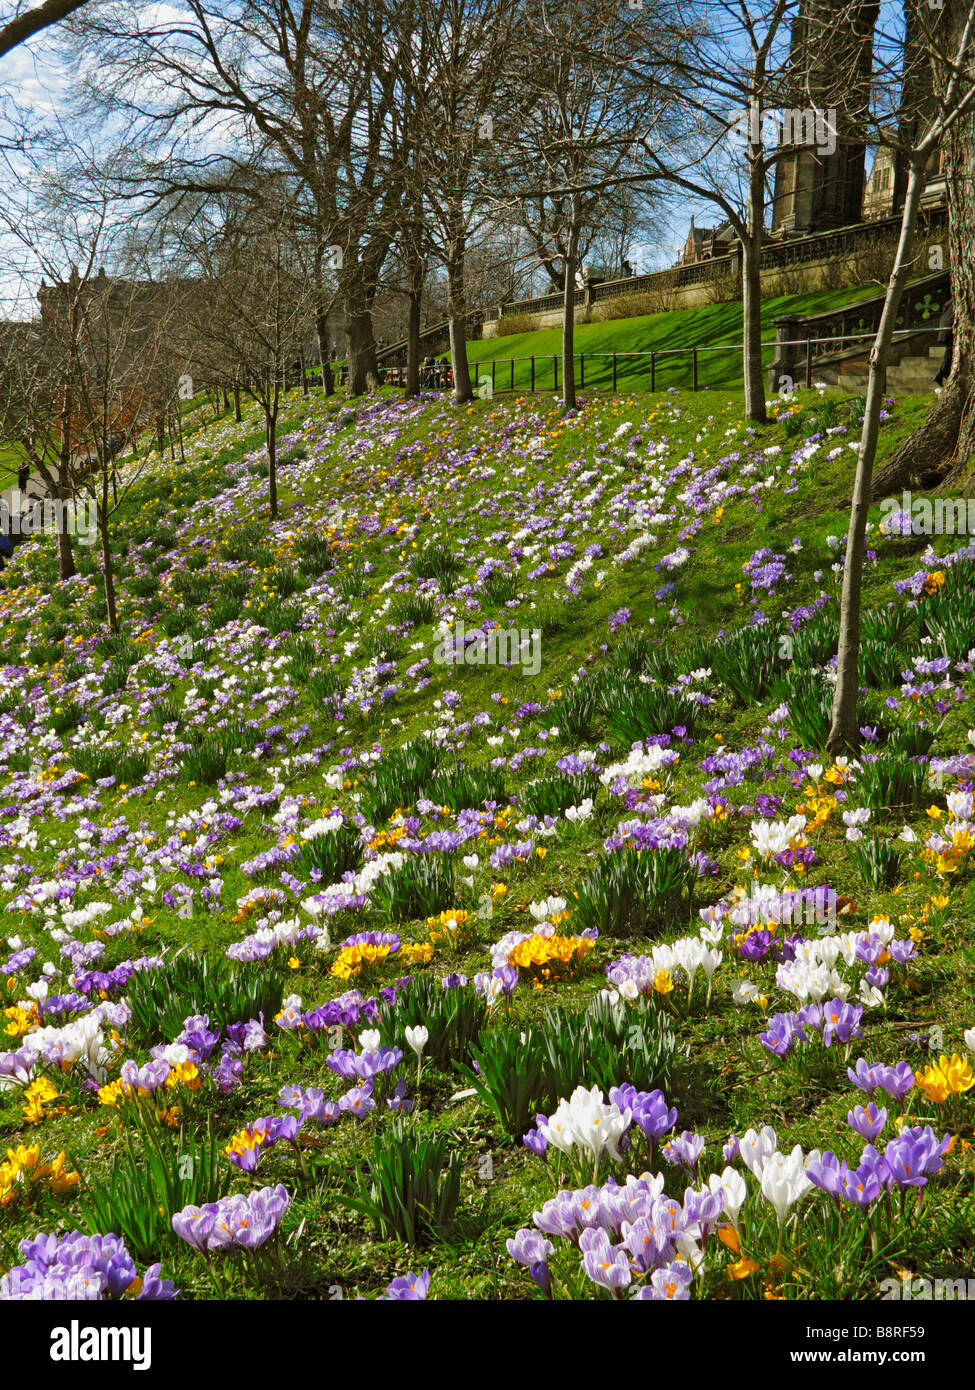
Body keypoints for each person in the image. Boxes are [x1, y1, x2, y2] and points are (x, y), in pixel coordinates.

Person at [934, 295, 954, 385]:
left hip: (945, 329)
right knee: (949, 352)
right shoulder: (957, 302)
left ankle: (941, 374)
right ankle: (941, 374)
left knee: (949, 352)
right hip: (949, 330)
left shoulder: (951, 302)